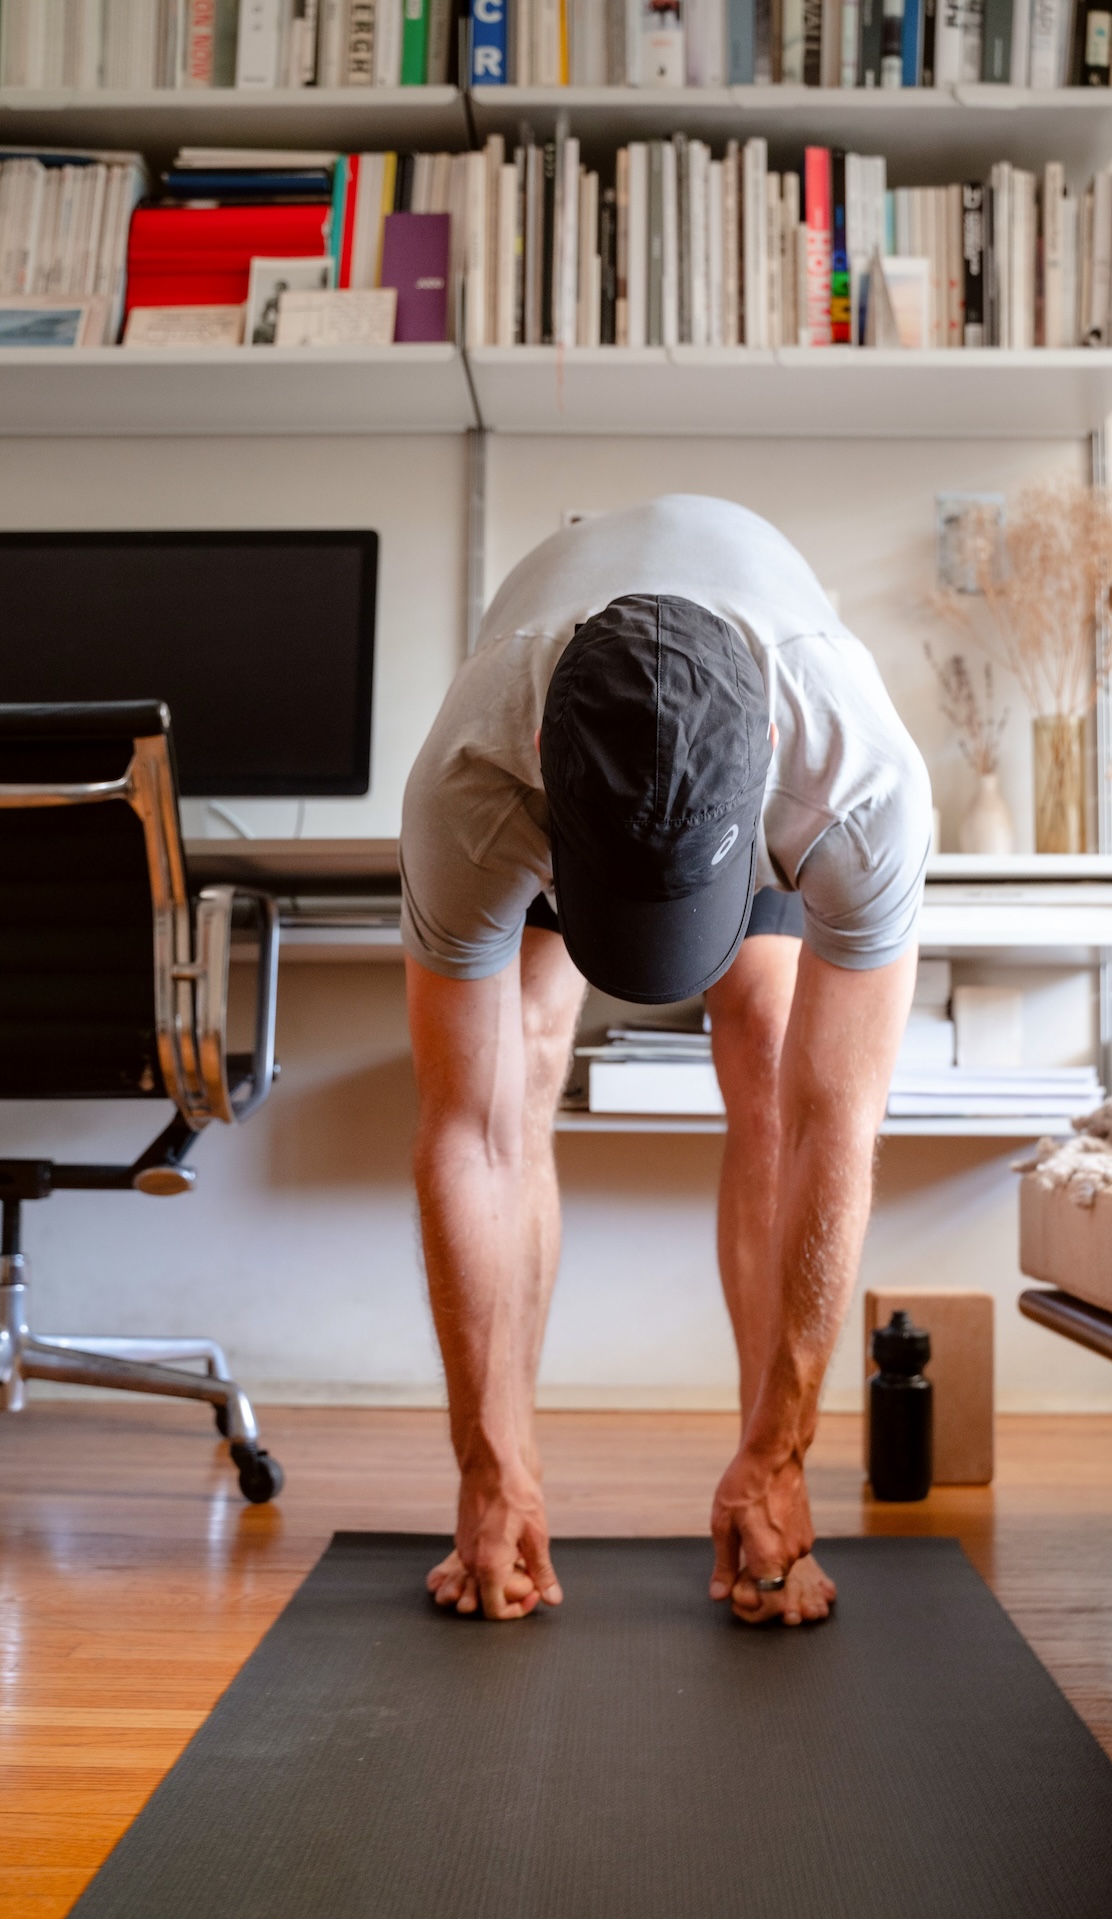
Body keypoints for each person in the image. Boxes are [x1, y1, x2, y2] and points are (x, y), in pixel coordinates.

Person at [400, 494, 931, 1625]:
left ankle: (767, 1488)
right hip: (557, 745)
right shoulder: (472, 774)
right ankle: (506, 1483)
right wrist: (482, 1460)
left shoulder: (857, 777)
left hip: (751, 720)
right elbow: (468, 1133)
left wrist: (778, 1451)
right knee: (525, 1052)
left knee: (767, 1042)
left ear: (775, 762)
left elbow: (832, 1122)